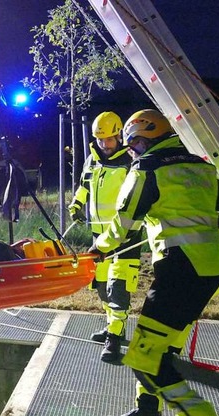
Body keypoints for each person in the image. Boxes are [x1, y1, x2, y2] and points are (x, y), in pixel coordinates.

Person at [89, 109, 219, 416]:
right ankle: (147, 414)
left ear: (142, 139)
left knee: (143, 358)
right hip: (210, 270)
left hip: (179, 271)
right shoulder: (200, 166)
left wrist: (99, 249)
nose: (131, 152)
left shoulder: (147, 168)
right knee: (159, 350)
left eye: (132, 145)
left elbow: (124, 222)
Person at [68, 111, 143, 362]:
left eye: (109, 139)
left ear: (119, 135)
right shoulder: (92, 160)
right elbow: (84, 186)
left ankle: (115, 337)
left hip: (125, 236)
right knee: (101, 286)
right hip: (99, 236)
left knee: (118, 287)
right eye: (101, 140)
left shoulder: (130, 162)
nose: (105, 145)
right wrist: (77, 205)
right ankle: (111, 324)